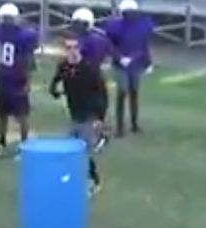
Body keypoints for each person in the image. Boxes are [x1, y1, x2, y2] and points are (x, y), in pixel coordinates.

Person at [50, 33, 106, 196]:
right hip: (74, 112)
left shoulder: (89, 68)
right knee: (71, 148)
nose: (72, 51)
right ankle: (75, 178)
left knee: (83, 150)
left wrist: (99, 118)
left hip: (89, 114)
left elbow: (102, 94)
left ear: (80, 49)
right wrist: (55, 91)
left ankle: (93, 181)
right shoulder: (64, 66)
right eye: (68, 48)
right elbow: (55, 83)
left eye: (75, 47)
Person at [0, 3, 38, 159]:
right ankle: (15, 146)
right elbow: (30, 60)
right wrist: (29, 80)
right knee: (16, 115)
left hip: (4, 77)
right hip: (13, 78)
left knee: (9, 115)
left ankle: (13, 146)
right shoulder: (26, 35)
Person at [103, 0, 154, 137]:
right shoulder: (115, 26)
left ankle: (134, 124)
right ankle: (120, 127)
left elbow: (143, 46)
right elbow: (109, 44)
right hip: (121, 65)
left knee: (134, 92)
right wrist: (120, 57)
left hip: (135, 64)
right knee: (122, 91)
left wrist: (147, 62)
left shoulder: (142, 26)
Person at [71, 7, 113, 151]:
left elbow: (76, 58)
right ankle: (97, 134)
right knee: (96, 109)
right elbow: (109, 56)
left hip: (86, 78)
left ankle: (99, 136)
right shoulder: (101, 37)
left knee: (88, 109)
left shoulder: (84, 41)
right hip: (96, 76)